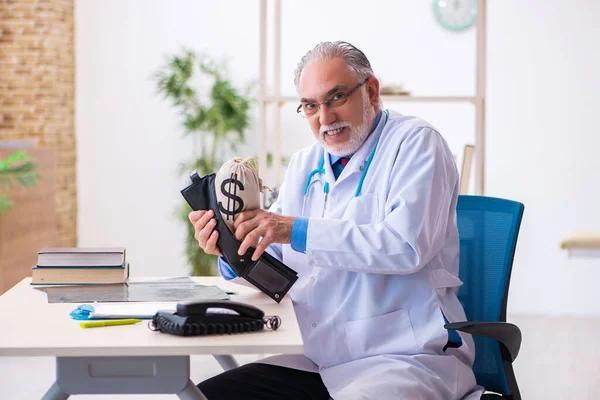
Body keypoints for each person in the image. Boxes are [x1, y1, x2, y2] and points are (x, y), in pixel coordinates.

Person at [189, 41, 484, 400]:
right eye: (311, 106)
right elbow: (277, 268)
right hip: (318, 359)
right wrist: (231, 249)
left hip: (403, 357)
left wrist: (293, 229)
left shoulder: (418, 145)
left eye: (337, 97)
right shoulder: (305, 163)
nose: (325, 118)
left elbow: (406, 247)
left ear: (371, 91)